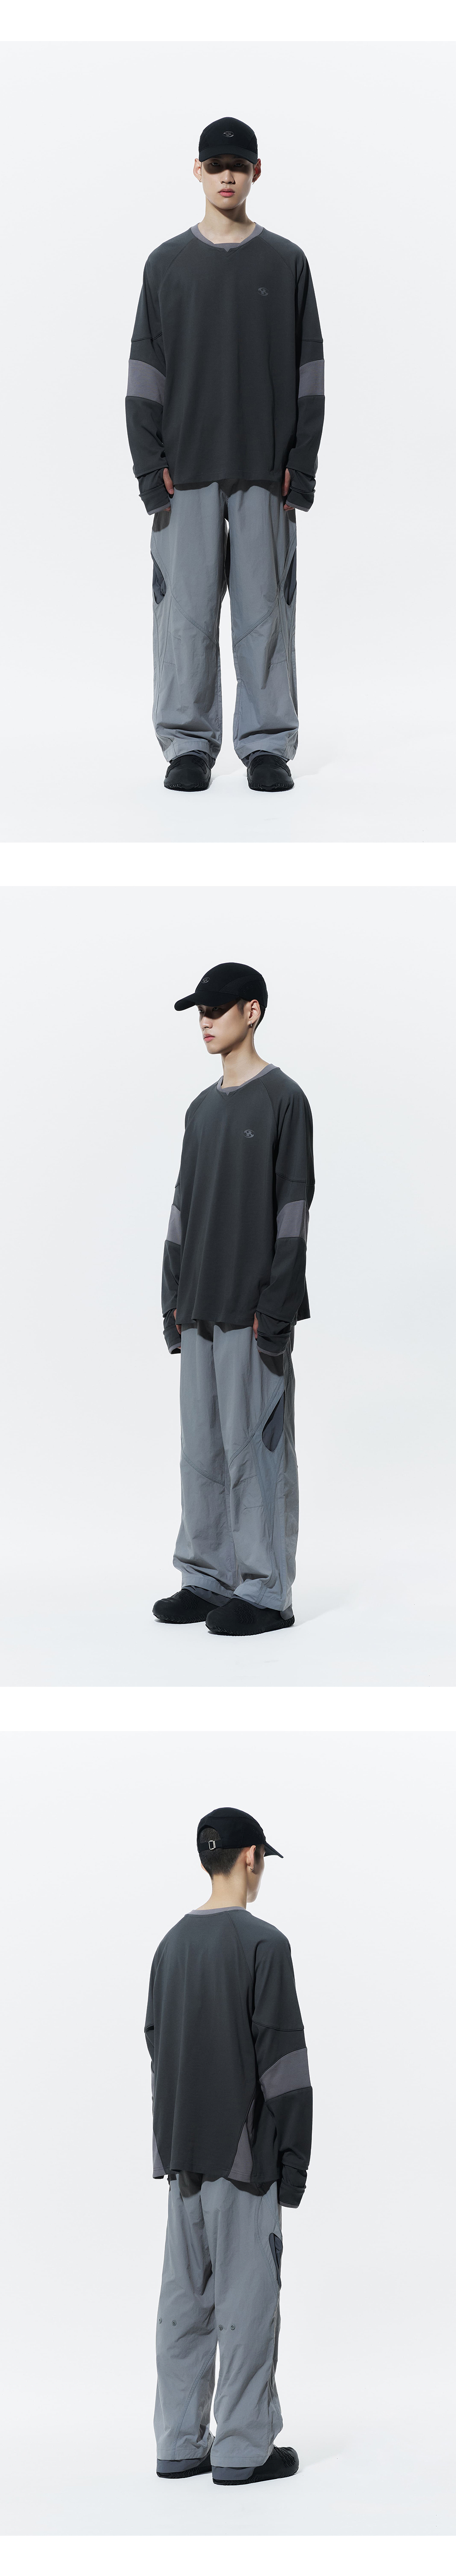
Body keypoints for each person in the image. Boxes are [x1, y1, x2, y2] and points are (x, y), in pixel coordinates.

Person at [125, 114, 325, 795]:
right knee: (184, 614)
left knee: (265, 611)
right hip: (185, 469)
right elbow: (144, 375)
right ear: (198, 170)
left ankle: (267, 744)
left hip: (267, 468)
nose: (227, 176)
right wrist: (150, 470)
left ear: (257, 172)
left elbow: (310, 373)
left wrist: (303, 465)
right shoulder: (166, 265)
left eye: (238, 165)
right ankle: (188, 744)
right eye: (216, 165)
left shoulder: (287, 263)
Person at [145, 1805, 312, 2484]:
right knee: (247, 2303)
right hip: (246, 2165)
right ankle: (243, 2450)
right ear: (250, 1857)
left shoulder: (169, 1947)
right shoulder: (265, 1944)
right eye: (262, 1859)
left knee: (184, 2305)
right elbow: (285, 2064)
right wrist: (294, 2164)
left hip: (181, 2157)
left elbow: (158, 2049)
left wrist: (171, 2141)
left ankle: (180, 2442)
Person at [154, 959, 315, 1639]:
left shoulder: (284, 1099)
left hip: (253, 1311)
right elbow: (182, 1206)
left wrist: (276, 1307)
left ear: (253, 1012)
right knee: (201, 1449)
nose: (205, 1021)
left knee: (255, 1450)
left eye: (217, 1009)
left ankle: (266, 1592)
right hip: (198, 1306)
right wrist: (172, 1294)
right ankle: (207, 1577)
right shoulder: (200, 1109)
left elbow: (294, 1211)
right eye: (200, 1010)